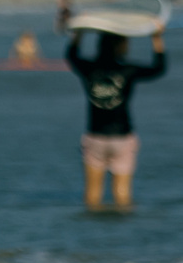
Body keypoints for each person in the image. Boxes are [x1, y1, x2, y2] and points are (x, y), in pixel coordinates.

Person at [65, 24, 168, 210]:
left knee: (92, 194)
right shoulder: (128, 71)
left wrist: (79, 33)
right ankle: (124, 236)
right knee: (122, 194)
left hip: (95, 136)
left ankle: (92, 235)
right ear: (122, 47)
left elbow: (71, 56)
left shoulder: (89, 69)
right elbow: (159, 68)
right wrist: (156, 37)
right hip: (122, 136)